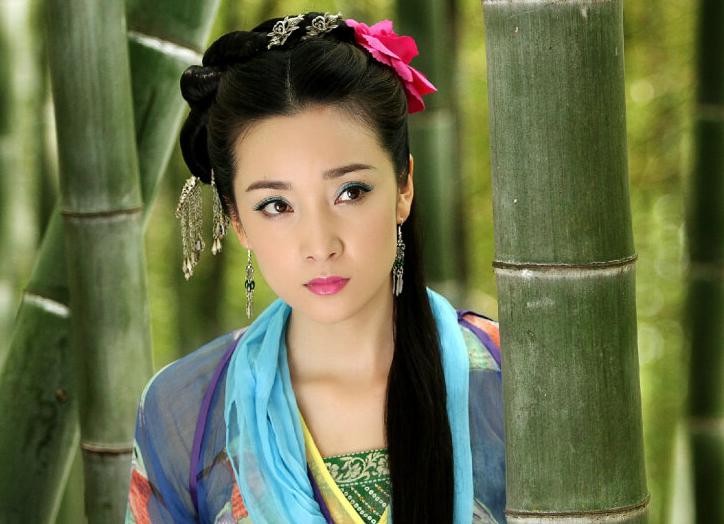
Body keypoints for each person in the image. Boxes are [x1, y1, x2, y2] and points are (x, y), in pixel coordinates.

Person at [125, 11, 504, 524]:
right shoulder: (183, 412)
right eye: (276, 205)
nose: (320, 244)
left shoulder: (513, 377)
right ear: (237, 220)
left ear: (404, 187)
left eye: (350, 192)